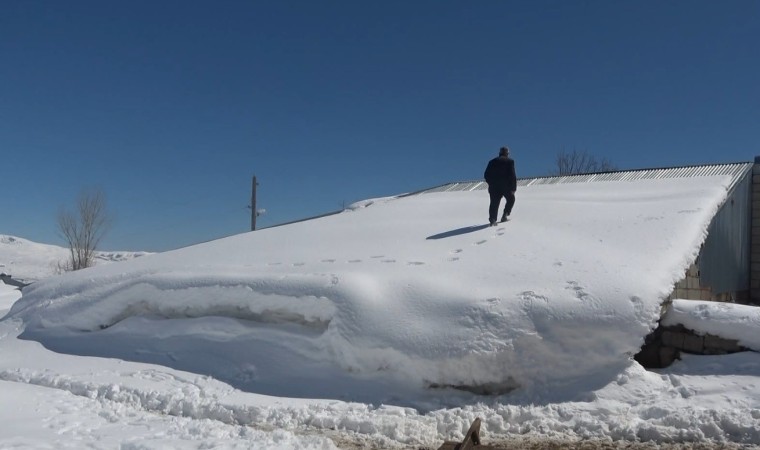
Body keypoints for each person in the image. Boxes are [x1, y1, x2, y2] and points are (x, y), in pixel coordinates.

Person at [483, 146, 517, 226]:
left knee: (494, 203)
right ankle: (505, 215)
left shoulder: (492, 162)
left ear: (499, 153)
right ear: (507, 153)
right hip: (506, 187)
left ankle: (493, 220)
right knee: (511, 199)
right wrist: (513, 188)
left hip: (494, 187)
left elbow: (486, 175)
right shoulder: (510, 161)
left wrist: (491, 183)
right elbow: (512, 175)